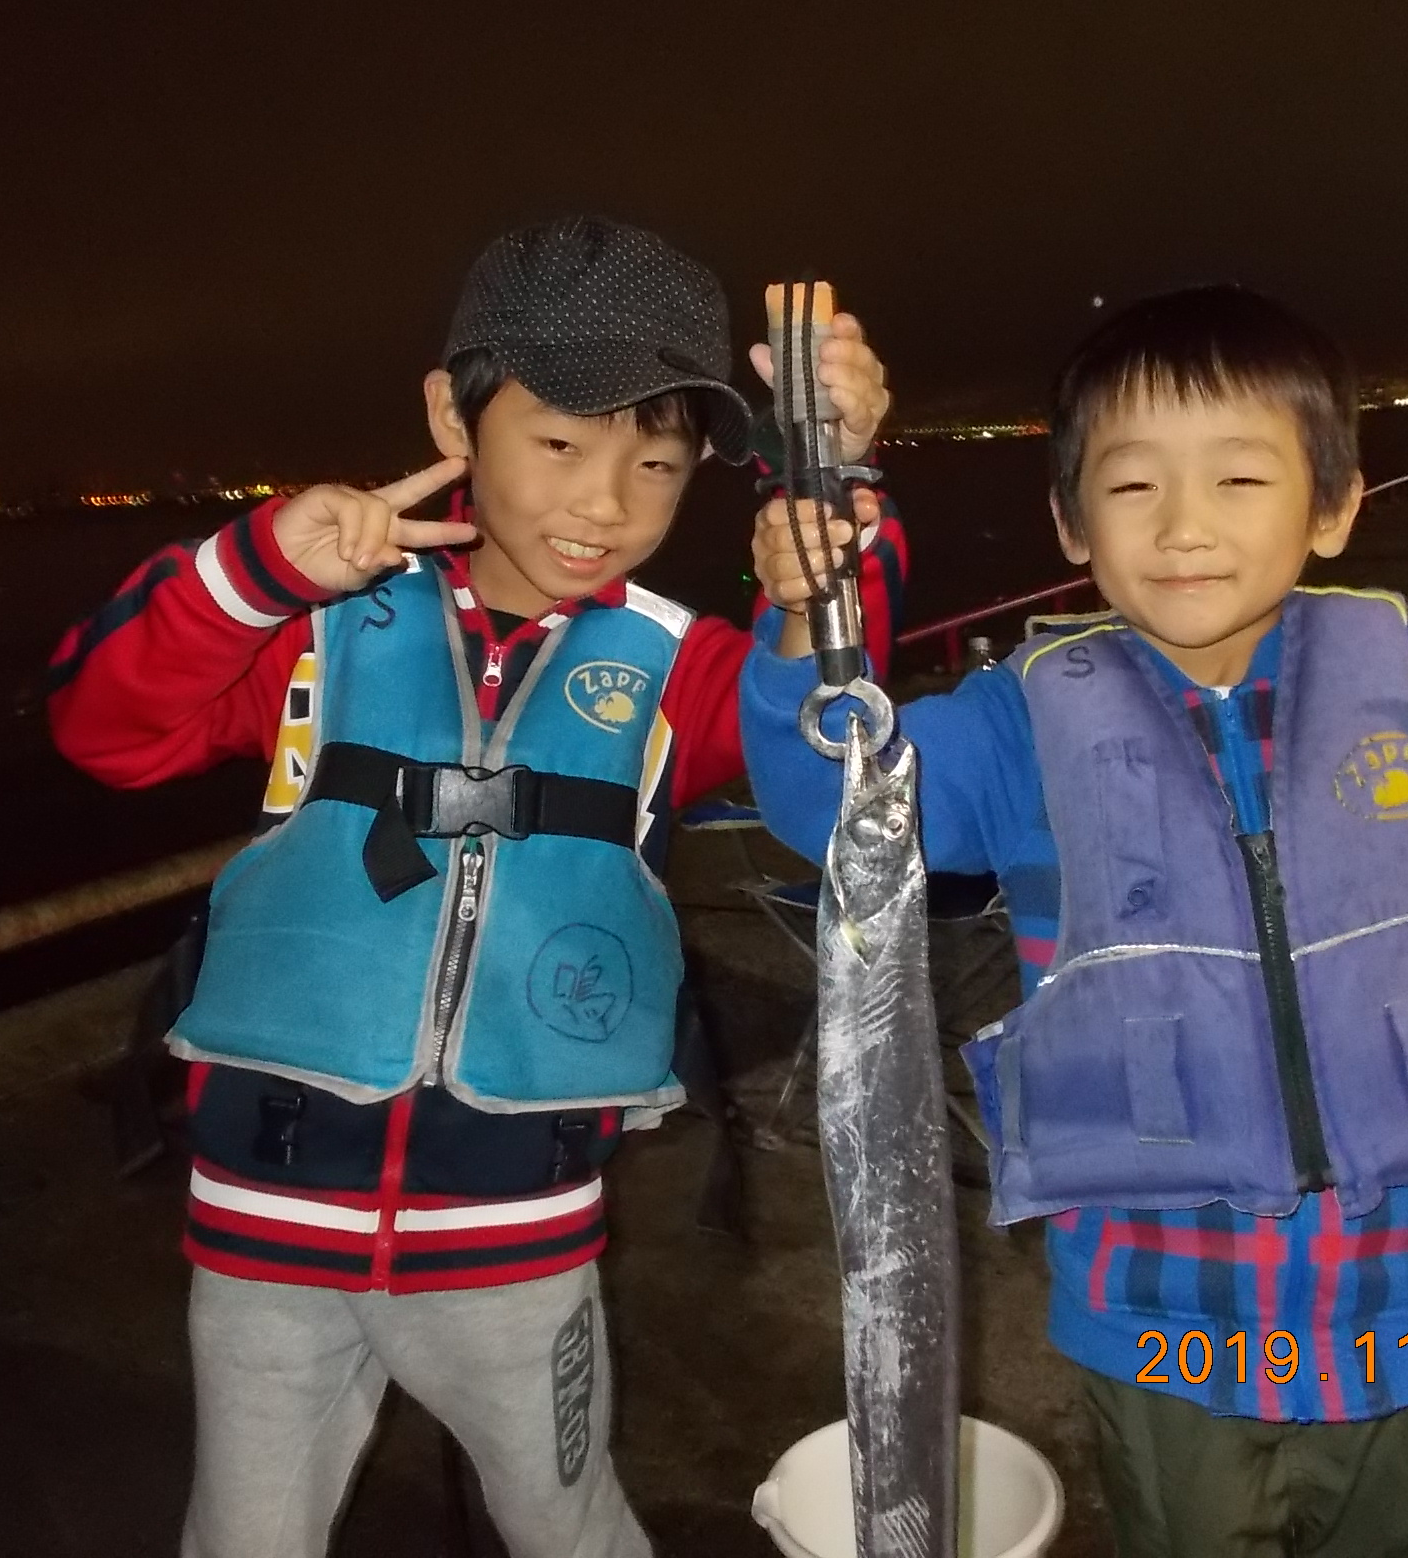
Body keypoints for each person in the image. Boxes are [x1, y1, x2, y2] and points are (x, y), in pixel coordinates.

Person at [47, 215, 900, 1558]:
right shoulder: (318, 623)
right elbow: (105, 730)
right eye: (558, 445)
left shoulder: (680, 668)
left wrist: (837, 505)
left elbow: (827, 756)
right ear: (453, 414)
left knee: (569, 1527)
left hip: (519, 1227)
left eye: (657, 463)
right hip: (266, 1217)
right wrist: (254, 573)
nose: (605, 503)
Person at [743, 285, 1408, 1557]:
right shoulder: (1022, 717)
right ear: (1069, 520)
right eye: (1131, 486)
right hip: (1160, 1317)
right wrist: (807, 609)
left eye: (1239, 479)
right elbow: (831, 803)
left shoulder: (1405, 672)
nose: (1182, 527)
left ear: (1333, 507)